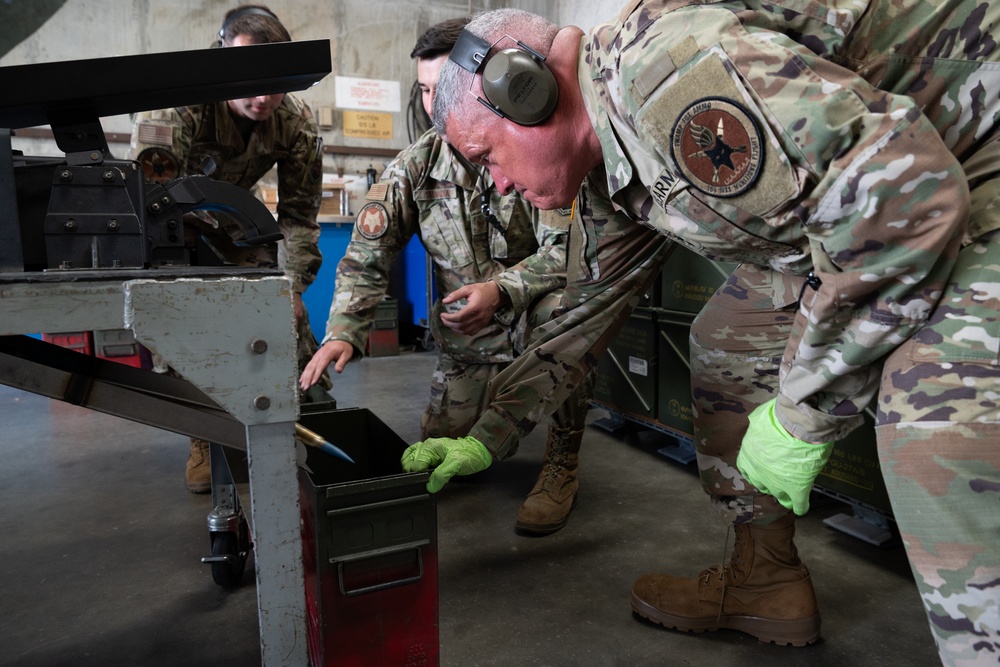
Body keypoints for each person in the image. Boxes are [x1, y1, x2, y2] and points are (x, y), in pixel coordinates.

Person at [410, 4, 1000, 664]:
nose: (498, 182)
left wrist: (804, 414)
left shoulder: (669, 83)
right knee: (729, 340)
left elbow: (904, 202)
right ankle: (764, 581)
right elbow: (584, 308)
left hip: (966, 156)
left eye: (486, 155)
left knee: (936, 429)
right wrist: (488, 436)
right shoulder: (602, 160)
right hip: (887, 181)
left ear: (530, 91)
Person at [299, 18, 593, 535]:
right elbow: (369, 253)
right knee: (439, 459)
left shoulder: (534, 145)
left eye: (445, 89)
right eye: (427, 91)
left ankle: (561, 460)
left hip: (531, 322)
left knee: (564, 319)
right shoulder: (416, 166)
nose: (436, 105)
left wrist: (504, 290)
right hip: (466, 340)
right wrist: (344, 330)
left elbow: (569, 250)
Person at [130, 4, 326, 493]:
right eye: (250, 79)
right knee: (186, 320)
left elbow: (299, 217)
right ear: (221, 59)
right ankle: (204, 433)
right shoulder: (177, 102)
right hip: (171, 221)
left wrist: (294, 285)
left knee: (285, 310)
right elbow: (149, 204)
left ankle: (308, 408)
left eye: (276, 82)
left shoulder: (297, 122)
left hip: (240, 219)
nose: (263, 97)